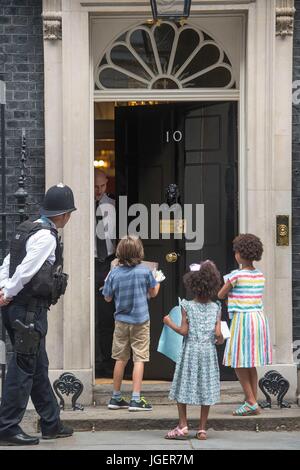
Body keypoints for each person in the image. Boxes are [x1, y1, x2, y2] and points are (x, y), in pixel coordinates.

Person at [0, 183, 76, 446]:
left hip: (18, 309)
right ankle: (8, 427)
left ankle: (51, 423)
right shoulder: (46, 237)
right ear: (64, 214)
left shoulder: (29, 229)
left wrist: (3, 288)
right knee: (22, 370)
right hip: (29, 311)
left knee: (38, 366)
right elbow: (27, 270)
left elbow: (8, 263)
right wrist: (8, 290)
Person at [163, 260, 223, 441]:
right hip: (207, 352)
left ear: (192, 284)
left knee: (183, 385)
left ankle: (183, 425)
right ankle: (202, 429)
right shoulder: (216, 307)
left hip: (190, 350)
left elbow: (184, 331)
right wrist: (218, 339)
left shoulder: (186, 306)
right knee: (206, 387)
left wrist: (168, 322)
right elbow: (218, 335)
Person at [103, 235, 160, 411]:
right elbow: (153, 293)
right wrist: (157, 280)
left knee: (120, 358)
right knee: (139, 358)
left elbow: (107, 297)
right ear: (139, 251)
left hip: (121, 321)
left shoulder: (114, 273)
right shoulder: (144, 271)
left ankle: (116, 397)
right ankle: (136, 399)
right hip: (140, 321)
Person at [218, 233, 272, 416]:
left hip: (243, 320)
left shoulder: (236, 276)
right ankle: (253, 400)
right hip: (258, 319)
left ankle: (250, 401)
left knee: (239, 361)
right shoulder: (260, 275)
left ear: (239, 253)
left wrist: (229, 299)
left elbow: (220, 294)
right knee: (251, 362)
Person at [94, 169, 116, 377]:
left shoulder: (112, 206)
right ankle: (96, 361)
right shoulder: (81, 206)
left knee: (107, 315)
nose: (99, 191)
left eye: (102, 186)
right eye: (95, 187)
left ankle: (108, 362)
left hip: (108, 262)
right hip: (89, 262)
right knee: (93, 316)